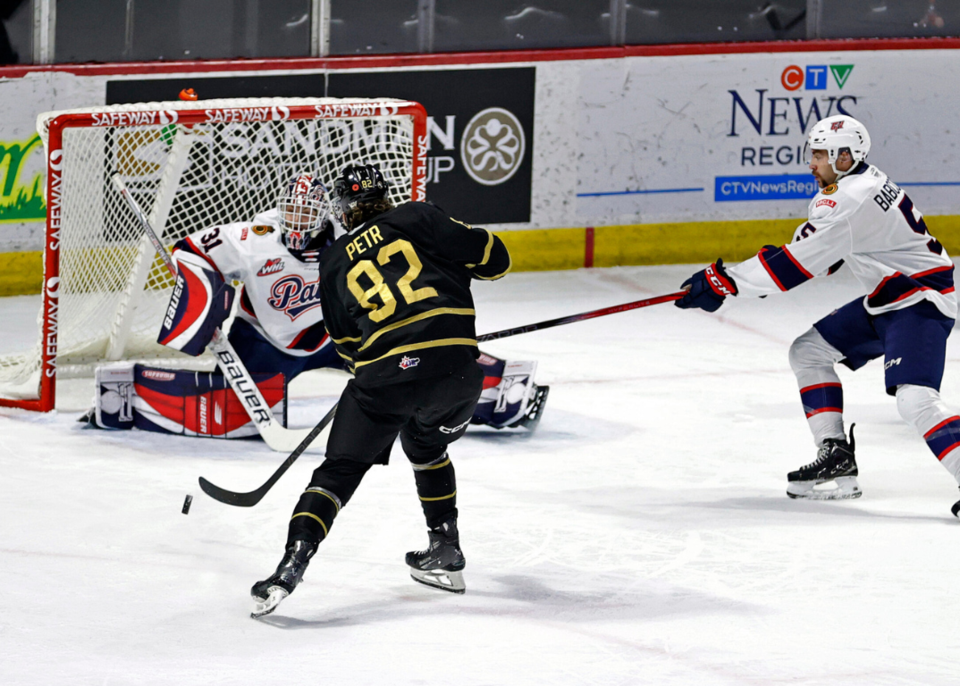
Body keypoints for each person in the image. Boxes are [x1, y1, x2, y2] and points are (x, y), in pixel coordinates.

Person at [94, 171, 546, 437]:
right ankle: (128, 394)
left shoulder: (347, 241)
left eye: (309, 216)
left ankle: (503, 391)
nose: (299, 225)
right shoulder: (256, 237)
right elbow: (189, 250)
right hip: (265, 341)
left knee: (418, 373)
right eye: (292, 214)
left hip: (339, 339)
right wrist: (207, 298)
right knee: (237, 421)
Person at [250, 164, 512, 618]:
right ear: (384, 196)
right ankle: (444, 547)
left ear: (344, 210)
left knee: (337, 474)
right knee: (427, 445)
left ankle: (288, 570)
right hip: (458, 373)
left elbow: (348, 348)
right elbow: (496, 260)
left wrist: (387, 367)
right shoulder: (419, 216)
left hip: (383, 379)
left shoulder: (332, 260)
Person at [675, 114, 960, 517]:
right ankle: (836, 454)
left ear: (845, 157)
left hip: (919, 300)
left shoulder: (848, 198)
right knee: (808, 352)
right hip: (889, 297)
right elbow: (821, 256)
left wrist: (724, 281)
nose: (812, 163)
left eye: (820, 155)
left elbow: (795, 268)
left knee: (915, 399)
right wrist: (750, 271)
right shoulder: (855, 185)